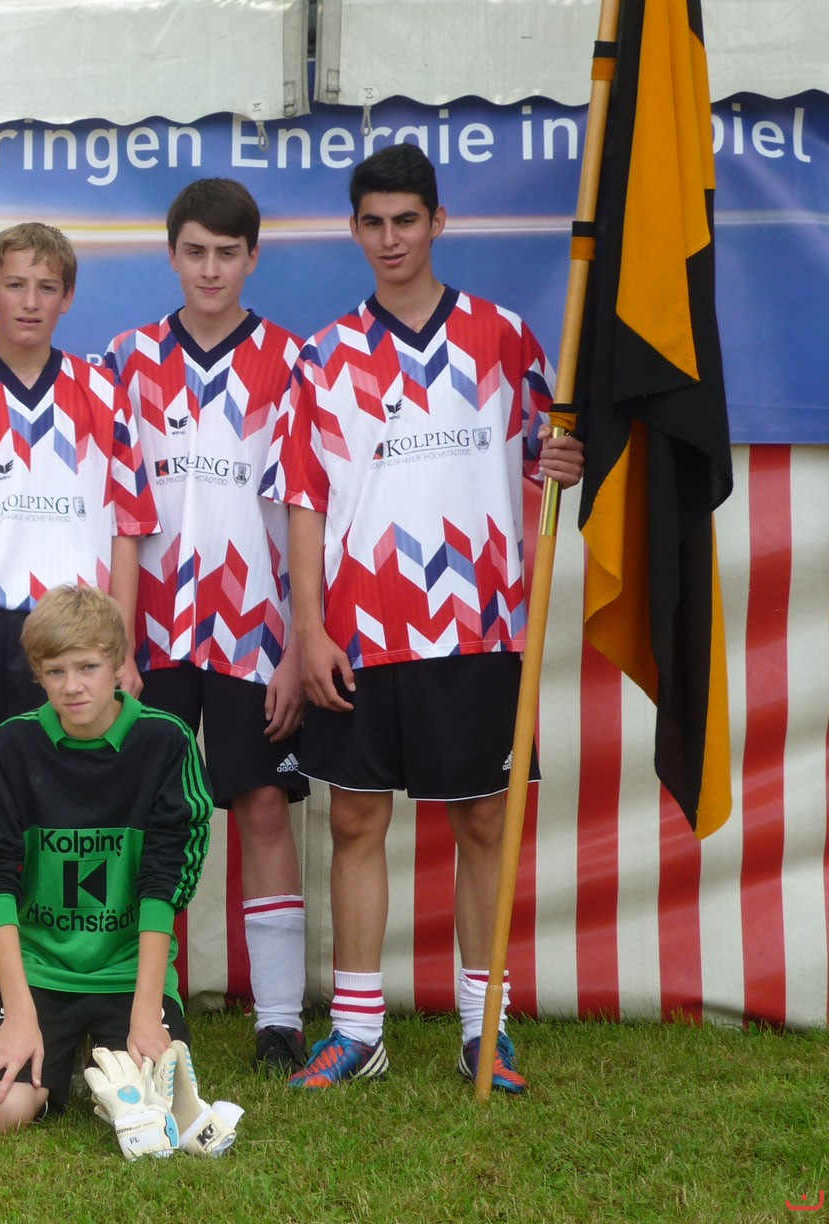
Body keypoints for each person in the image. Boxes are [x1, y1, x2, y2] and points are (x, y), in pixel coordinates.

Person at [265, 144, 583, 1092]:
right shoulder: (323, 355)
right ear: (354, 229)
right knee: (356, 821)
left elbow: (547, 455)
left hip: (479, 625)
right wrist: (309, 629)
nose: (391, 238)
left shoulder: (505, 338)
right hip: (361, 630)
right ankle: (358, 1031)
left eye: (407, 220)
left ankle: (486, 1028)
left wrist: (566, 459)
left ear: (439, 222)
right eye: (374, 222)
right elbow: (306, 501)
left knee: (483, 824)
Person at [0, 222, 158, 1090]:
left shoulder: (102, 391)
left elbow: (128, 525)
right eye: (15, 284)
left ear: (68, 297)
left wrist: (119, 646)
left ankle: (75, 1000)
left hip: (69, 638)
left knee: (71, 825)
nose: (30, 301)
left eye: (47, 287)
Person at [106, 178, 313, 1074]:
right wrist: (114, 642)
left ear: (253, 257)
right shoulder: (124, 360)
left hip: (255, 630)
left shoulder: (296, 362)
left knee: (262, 807)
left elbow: (307, 510)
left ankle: (279, 1020)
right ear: (172, 254)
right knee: (140, 815)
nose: (211, 269)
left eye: (228, 253)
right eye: (195, 251)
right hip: (149, 632)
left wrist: (298, 644)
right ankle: (142, 1005)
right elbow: (113, 511)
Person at [0, 583, 212, 1133]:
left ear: (118, 663)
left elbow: (165, 880)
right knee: (1, 1113)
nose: (72, 686)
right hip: (41, 971)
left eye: (88, 667)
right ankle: (62, 1051)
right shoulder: (13, 744)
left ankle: (93, 1049)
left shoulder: (165, 741)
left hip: (128, 970)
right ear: (37, 673)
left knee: (155, 1105)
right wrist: (19, 1014)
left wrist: (146, 1013)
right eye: (55, 671)